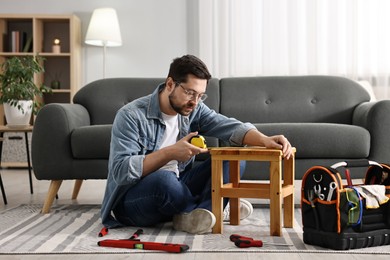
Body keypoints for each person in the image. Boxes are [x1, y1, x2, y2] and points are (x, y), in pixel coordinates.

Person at [100, 54, 293, 234]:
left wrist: (264, 139)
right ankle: (214, 206)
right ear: (170, 84)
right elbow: (121, 171)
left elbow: (229, 127)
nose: (195, 102)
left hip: (178, 185)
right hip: (135, 199)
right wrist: (170, 153)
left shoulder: (193, 108)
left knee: (234, 157)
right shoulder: (131, 116)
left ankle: (203, 212)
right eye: (190, 93)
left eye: (200, 95)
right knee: (164, 181)